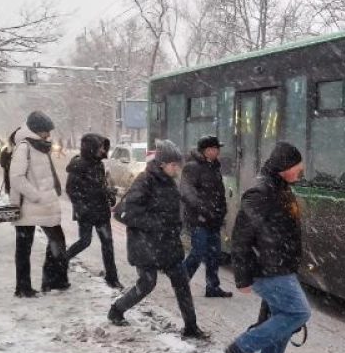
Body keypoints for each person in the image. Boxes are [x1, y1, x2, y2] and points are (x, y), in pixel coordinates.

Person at [223, 142, 310, 353]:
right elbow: (241, 236)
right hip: (267, 268)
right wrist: (242, 276)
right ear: (284, 167)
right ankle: (242, 348)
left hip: (280, 266)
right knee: (298, 314)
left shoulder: (279, 188)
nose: (300, 171)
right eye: (297, 167)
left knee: (281, 319)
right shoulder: (261, 192)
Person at [107, 141, 205, 339]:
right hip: (146, 245)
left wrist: (179, 225)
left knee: (182, 283)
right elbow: (123, 212)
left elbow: (172, 211)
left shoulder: (170, 182)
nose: (177, 169)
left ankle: (191, 327)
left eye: (178, 165)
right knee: (147, 284)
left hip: (168, 244)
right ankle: (117, 310)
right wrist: (156, 224)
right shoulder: (145, 181)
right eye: (173, 165)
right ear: (162, 163)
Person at [8, 111, 69, 297]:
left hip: (44, 205)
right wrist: (37, 196)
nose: (49, 135)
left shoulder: (40, 146)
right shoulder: (24, 147)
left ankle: (52, 280)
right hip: (29, 204)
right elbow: (16, 178)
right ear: (35, 130)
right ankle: (23, 287)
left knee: (57, 241)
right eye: (46, 131)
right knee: (25, 248)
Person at [65, 133, 121, 289]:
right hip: (87, 213)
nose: (103, 150)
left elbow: (100, 185)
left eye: (104, 147)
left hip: (101, 211)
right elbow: (71, 189)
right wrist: (81, 207)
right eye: (100, 146)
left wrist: (109, 194)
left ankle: (112, 278)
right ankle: (63, 259)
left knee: (108, 243)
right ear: (91, 148)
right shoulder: (79, 166)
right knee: (85, 241)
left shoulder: (99, 165)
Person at [180, 135, 231, 298]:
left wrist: (221, 211)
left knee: (214, 254)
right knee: (198, 252)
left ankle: (212, 287)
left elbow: (219, 193)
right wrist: (203, 210)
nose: (218, 151)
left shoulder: (214, 167)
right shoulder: (192, 167)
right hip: (198, 220)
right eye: (216, 148)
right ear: (207, 150)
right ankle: (181, 284)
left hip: (214, 220)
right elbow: (187, 192)